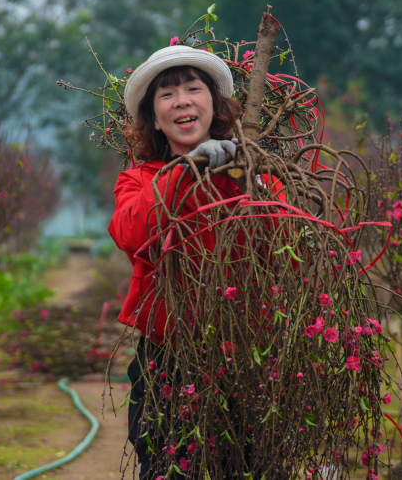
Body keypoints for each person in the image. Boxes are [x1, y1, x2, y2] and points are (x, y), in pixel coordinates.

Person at [109, 45, 252, 479]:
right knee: (166, 466)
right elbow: (132, 232)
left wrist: (250, 178)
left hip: (245, 354)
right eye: (167, 95)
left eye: (194, 88)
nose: (183, 100)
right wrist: (187, 168)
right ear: (154, 118)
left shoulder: (247, 173)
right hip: (167, 357)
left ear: (215, 104)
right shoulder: (139, 179)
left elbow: (283, 245)